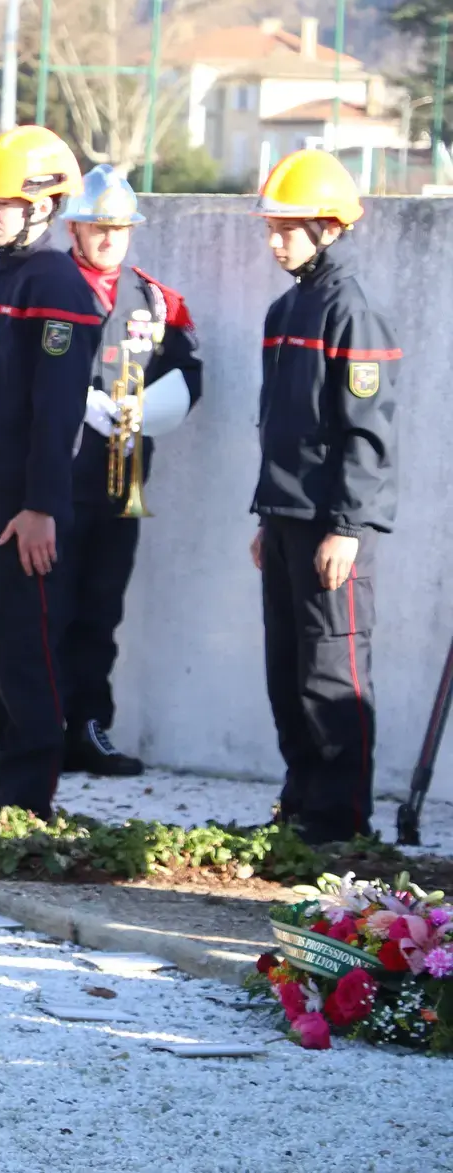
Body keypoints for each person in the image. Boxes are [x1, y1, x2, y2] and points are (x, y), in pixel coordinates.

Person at [0, 125, 100, 823]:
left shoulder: (56, 283)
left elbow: (57, 410)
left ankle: (26, 798)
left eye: (6, 203)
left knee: (22, 647)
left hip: (19, 498)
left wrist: (42, 505)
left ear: (43, 206)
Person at [249, 149, 397, 844]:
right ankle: (302, 808)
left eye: (288, 228)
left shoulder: (350, 311)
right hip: (285, 520)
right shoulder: (285, 309)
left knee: (332, 675)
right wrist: (266, 515)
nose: (276, 241)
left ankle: (341, 825)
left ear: (330, 228)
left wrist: (348, 527)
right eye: (272, 227)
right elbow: (280, 425)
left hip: (331, 527)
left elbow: (368, 432)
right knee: (288, 674)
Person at [53, 165, 203, 776]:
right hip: (55, 483)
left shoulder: (157, 300)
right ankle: (41, 730)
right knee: (49, 611)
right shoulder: (47, 285)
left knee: (100, 612)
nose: (109, 237)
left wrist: (149, 408)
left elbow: (189, 374)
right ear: (75, 229)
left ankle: (89, 727)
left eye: (120, 227)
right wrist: (80, 401)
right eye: (98, 227)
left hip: (121, 481)